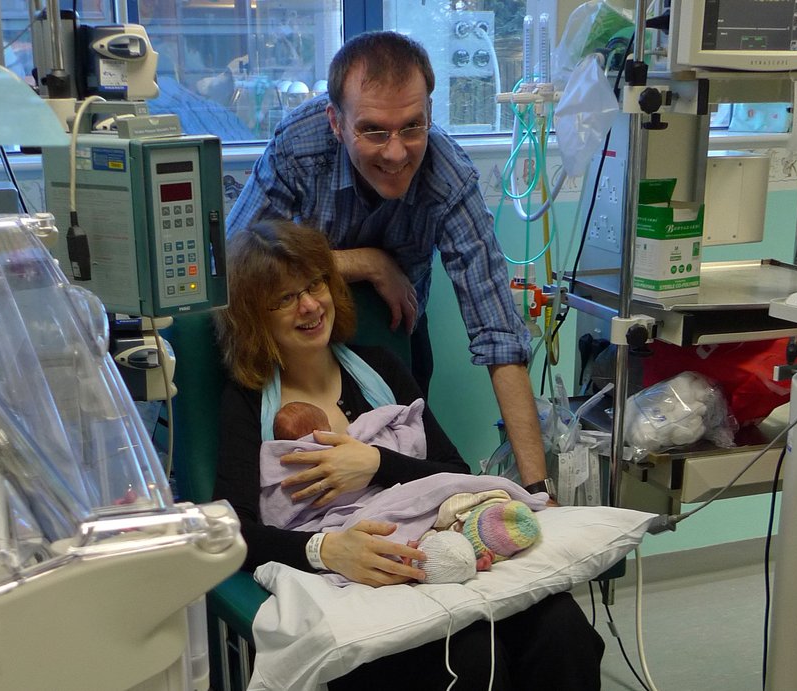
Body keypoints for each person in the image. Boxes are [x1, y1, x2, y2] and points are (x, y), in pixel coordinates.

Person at [213, 219, 603, 690]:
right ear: (255, 317)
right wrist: (326, 549)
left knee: (564, 629)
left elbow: (454, 474)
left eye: (315, 284)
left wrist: (376, 464)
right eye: (285, 298)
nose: (310, 305)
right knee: (470, 658)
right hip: (351, 580)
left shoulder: (381, 368)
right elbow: (229, 529)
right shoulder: (248, 401)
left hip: (437, 548)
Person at [225, 30, 554, 498]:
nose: (396, 152)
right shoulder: (301, 147)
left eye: (412, 127)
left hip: (397, 327)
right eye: (374, 131)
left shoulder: (448, 178)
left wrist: (538, 489)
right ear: (336, 123)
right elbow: (236, 264)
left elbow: (499, 333)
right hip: (295, 345)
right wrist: (369, 263)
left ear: (430, 114)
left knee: (404, 465)